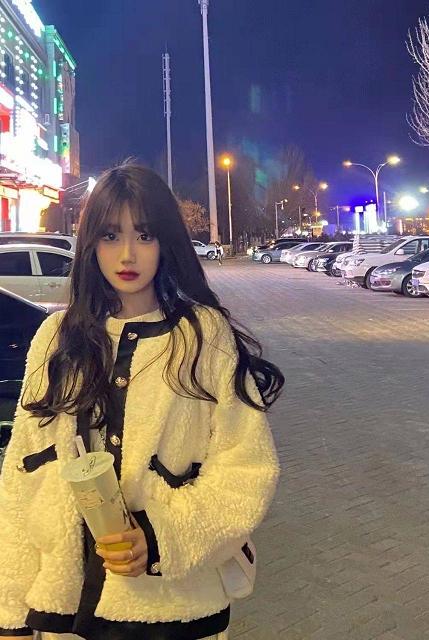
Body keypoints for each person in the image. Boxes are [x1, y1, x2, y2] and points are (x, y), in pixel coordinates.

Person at [0, 163, 284, 640]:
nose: (127, 254)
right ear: (90, 244)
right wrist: (9, 612)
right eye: (110, 235)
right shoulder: (57, 337)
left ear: (166, 242)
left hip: (173, 610)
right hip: (64, 608)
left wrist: (159, 538)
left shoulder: (202, 336)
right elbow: (21, 475)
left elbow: (247, 470)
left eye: (145, 235)